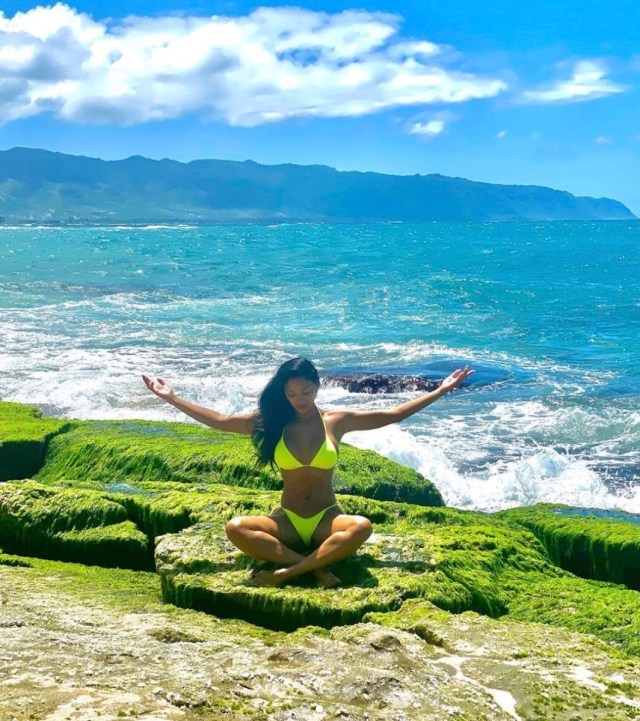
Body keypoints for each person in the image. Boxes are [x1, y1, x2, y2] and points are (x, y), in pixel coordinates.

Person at [142, 357, 473, 588]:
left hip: (326, 520)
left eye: (305, 392)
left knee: (361, 526)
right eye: (290, 394)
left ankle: (288, 572)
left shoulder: (336, 421)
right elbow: (219, 420)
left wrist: (441, 390)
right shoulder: (270, 422)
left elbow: (393, 414)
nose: (298, 400)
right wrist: (171, 398)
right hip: (285, 520)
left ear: (317, 386)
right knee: (236, 528)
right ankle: (315, 568)